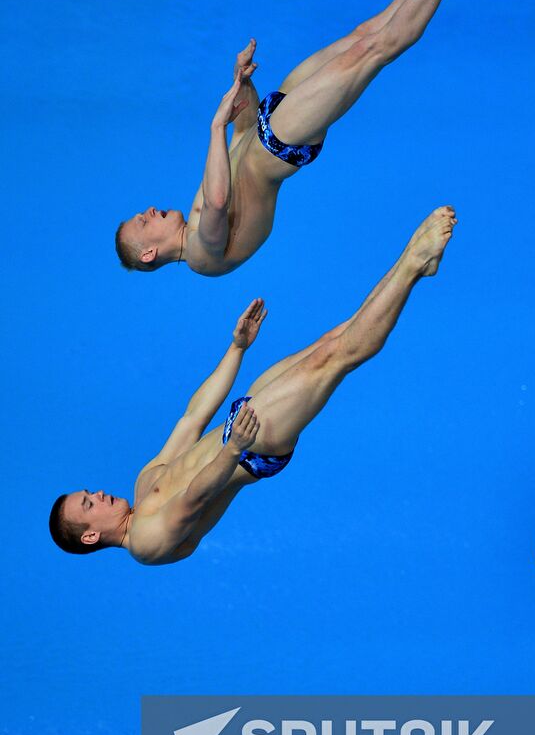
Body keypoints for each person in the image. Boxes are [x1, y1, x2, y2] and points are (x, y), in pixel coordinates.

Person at [114, 0, 491, 275]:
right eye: (143, 222)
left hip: (269, 118)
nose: (149, 211)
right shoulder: (201, 256)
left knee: (367, 32)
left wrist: (242, 84)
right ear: (149, 253)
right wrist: (215, 126)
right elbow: (218, 201)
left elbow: (242, 132)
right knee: (374, 50)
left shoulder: (195, 208)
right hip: (282, 140)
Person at [52, 207, 457, 563]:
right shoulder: (145, 544)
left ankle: (416, 267)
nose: (98, 494)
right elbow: (193, 499)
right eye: (89, 504)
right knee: (336, 357)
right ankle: (414, 262)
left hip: (239, 425)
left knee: (331, 340)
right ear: (91, 536)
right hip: (249, 449)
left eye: (89, 492)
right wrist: (232, 449)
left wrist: (237, 348)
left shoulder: (143, 484)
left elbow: (192, 418)